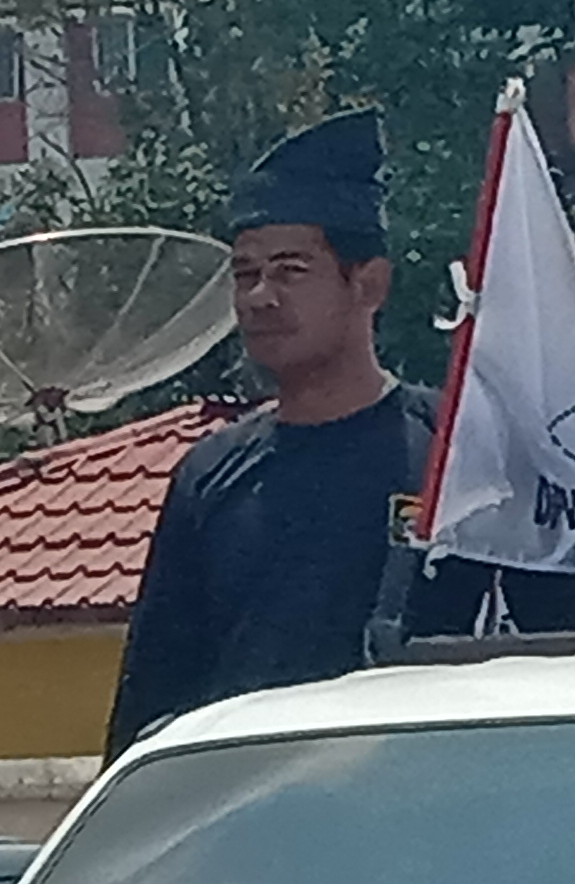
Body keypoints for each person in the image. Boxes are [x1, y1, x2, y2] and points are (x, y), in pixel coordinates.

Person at [107, 111, 437, 752]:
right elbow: (156, 695)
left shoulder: (451, 453)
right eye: (244, 274)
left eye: (290, 271)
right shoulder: (212, 476)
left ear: (368, 283)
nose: (260, 297)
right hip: (255, 820)